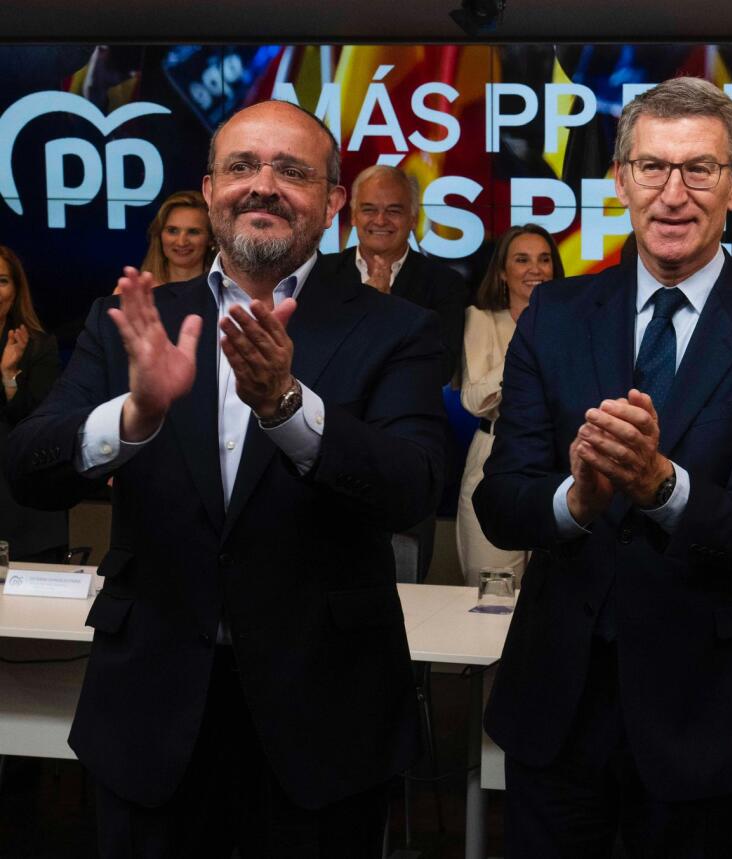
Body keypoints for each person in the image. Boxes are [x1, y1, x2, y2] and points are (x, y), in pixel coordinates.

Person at [5, 100, 445, 857]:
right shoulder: (133, 317)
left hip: (323, 722)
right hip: (152, 712)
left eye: (292, 170)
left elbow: (411, 488)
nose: (263, 185)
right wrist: (135, 414)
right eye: (242, 166)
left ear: (333, 200)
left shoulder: (395, 327)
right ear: (208, 190)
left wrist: (286, 404)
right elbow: (29, 468)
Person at [473, 77, 732, 857]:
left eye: (699, 169)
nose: (673, 194)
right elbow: (501, 499)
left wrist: (661, 485)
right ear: (621, 181)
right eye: (652, 168)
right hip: (559, 702)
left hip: (704, 709)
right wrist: (578, 497)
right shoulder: (558, 315)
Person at [319, 164, 470, 581]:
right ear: (352, 216)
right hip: (328, 453)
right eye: (369, 209)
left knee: (404, 585)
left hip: (405, 454)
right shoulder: (320, 277)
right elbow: (313, 365)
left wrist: (380, 310)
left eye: (394, 210)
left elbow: (440, 367)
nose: (380, 221)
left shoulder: (444, 285)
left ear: (414, 218)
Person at [456, 223, 563, 584]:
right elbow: (473, 400)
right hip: (492, 454)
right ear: (503, 272)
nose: (536, 269)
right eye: (522, 260)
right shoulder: (481, 319)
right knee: (492, 589)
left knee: (552, 588)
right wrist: (527, 340)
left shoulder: (571, 322)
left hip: (557, 462)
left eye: (544, 259)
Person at [0, 245, 67, 562]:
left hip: (18, 500)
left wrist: (9, 374)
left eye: (2, 281)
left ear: (15, 289)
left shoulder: (38, 346)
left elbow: (40, 424)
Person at [128, 190, 215, 289]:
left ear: (211, 238)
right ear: (159, 234)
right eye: (173, 231)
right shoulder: (132, 291)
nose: (181, 242)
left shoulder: (226, 291)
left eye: (193, 232)